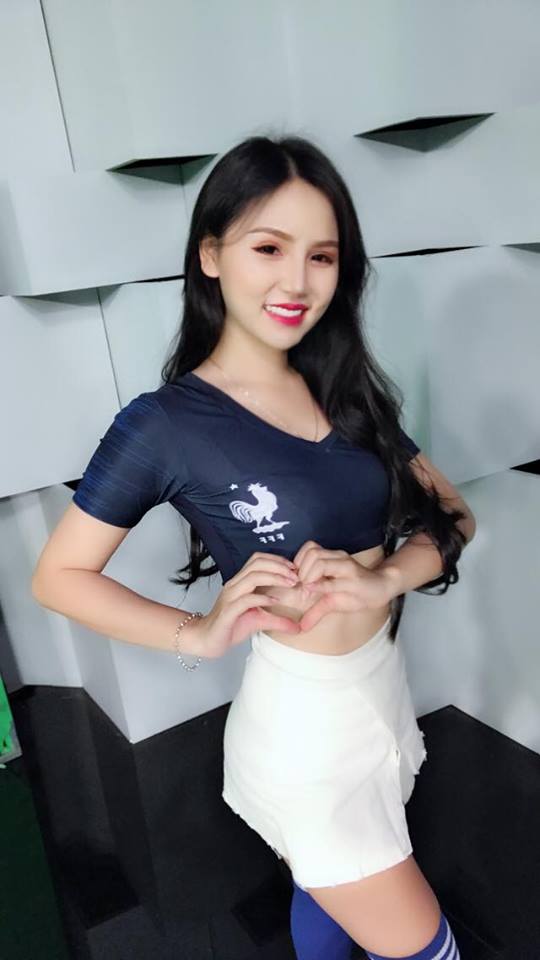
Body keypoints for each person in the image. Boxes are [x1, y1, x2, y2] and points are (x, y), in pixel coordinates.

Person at [32, 134, 475, 960]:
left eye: (321, 256)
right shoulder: (164, 425)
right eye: (268, 248)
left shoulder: (345, 386)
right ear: (210, 255)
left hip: (378, 688)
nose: (297, 281)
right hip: (305, 732)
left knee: (324, 888)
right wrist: (197, 634)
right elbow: (58, 576)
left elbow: (453, 516)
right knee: (424, 944)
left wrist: (383, 580)